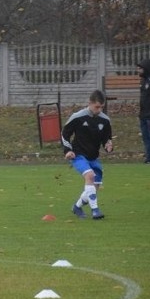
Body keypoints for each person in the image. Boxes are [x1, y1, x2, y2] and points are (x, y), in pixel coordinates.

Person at [61, 89, 113, 220]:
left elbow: (107, 139)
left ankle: (77, 207)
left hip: (93, 157)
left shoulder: (105, 120)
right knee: (90, 176)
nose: (99, 110)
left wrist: (108, 146)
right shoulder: (78, 117)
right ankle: (95, 210)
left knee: (94, 187)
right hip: (78, 155)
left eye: (102, 107)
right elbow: (64, 134)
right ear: (89, 103)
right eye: (97, 107)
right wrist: (68, 151)